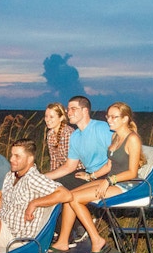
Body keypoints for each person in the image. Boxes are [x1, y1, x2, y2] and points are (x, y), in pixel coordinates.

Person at [49, 101, 145, 253]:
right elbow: (109, 166)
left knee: (75, 199)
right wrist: (91, 176)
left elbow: (132, 172)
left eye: (114, 117)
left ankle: (97, 240)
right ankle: (63, 241)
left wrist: (109, 181)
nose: (109, 120)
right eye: (108, 116)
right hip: (111, 180)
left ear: (125, 119)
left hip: (127, 185)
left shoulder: (132, 139)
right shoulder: (115, 136)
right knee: (68, 195)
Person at [43, 95, 112, 244]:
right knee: (54, 186)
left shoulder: (101, 128)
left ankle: (69, 235)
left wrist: (93, 176)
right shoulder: (75, 136)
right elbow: (69, 166)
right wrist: (44, 177)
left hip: (105, 175)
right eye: (68, 109)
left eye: (74, 109)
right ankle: (60, 234)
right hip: (88, 174)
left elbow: (116, 157)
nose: (69, 112)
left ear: (85, 111)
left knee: (63, 192)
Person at [43, 102, 73, 173]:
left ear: (61, 118)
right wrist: (52, 175)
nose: (47, 120)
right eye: (46, 116)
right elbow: (54, 160)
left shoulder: (68, 133)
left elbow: (71, 163)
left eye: (51, 117)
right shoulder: (50, 134)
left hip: (76, 170)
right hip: (64, 170)